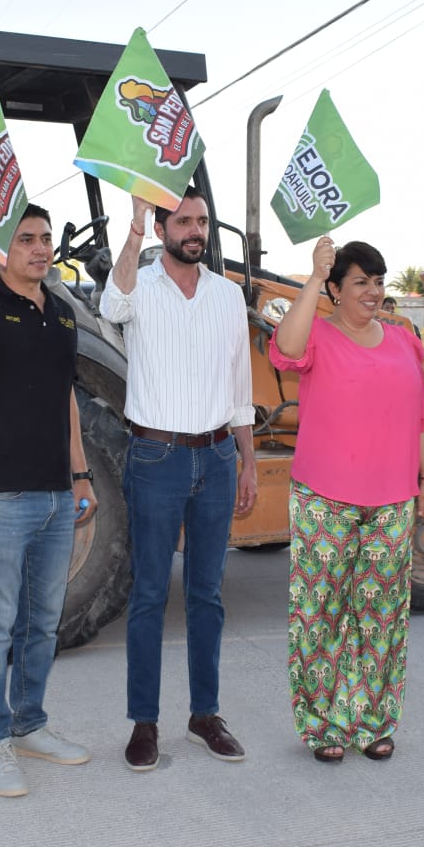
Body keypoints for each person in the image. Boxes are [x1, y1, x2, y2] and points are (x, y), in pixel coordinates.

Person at [0, 205, 98, 798]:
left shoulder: (61, 311)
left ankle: (29, 724)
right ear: (1, 249)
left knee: (42, 623)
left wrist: (80, 474)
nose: (39, 248)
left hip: (56, 494)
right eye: (25, 239)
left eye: (45, 238)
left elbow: (66, 398)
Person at [99, 189, 258, 772]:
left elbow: (239, 385)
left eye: (203, 222)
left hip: (216, 457)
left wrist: (247, 461)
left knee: (206, 595)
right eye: (185, 221)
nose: (196, 231)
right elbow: (111, 304)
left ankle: (204, 715)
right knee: (148, 594)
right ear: (165, 228)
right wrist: (135, 228)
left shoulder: (227, 295)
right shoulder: (139, 286)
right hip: (155, 457)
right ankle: (144, 723)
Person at [268, 237, 424, 762]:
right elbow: (285, 350)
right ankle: (323, 726)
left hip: (392, 499)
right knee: (320, 613)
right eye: (360, 281)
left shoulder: (404, 341)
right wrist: (313, 278)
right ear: (336, 290)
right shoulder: (316, 334)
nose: (373, 291)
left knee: (381, 616)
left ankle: (372, 722)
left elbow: (422, 417)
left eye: (378, 281)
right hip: (325, 499)